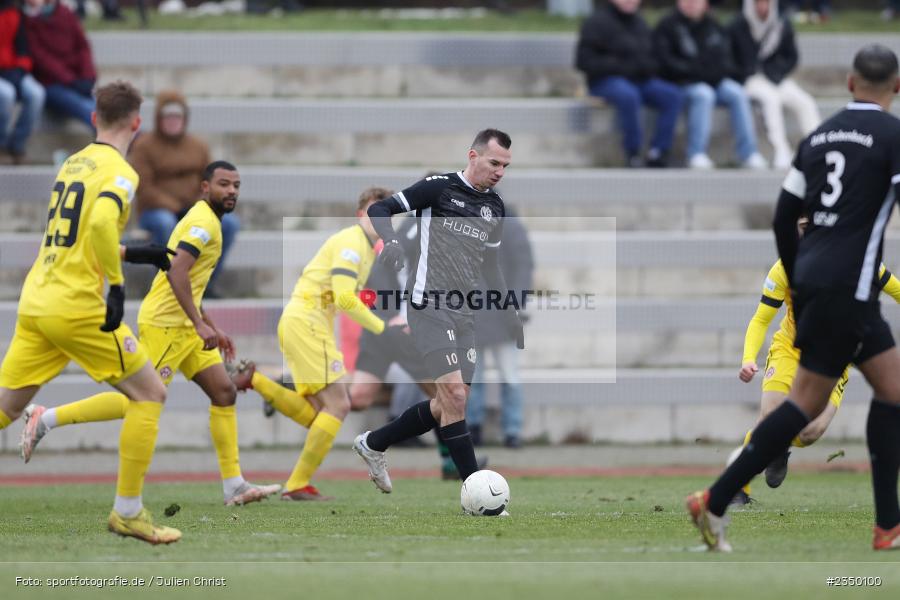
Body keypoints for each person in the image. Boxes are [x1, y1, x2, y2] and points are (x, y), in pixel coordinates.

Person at [687, 44, 900, 552]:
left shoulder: (819, 136)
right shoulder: (893, 136)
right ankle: (717, 499)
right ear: (896, 88)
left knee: (881, 391)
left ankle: (716, 500)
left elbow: (784, 216)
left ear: (849, 84)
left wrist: (799, 277)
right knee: (810, 408)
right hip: (852, 283)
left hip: (823, 281)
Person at [19, 161, 282, 507]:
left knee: (223, 392)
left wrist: (209, 325)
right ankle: (46, 418)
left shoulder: (209, 221)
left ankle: (234, 485)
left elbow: (191, 280)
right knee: (141, 397)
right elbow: (177, 272)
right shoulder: (203, 224)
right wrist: (199, 323)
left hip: (184, 326)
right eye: (223, 184)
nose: (231, 190)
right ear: (204, 187)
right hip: (165, 324)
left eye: (236, 185)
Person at [0, 81, 181, 544]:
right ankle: (128, 511)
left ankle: (127, 509)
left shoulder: (72, 163)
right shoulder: (122, 171)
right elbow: (99, 221)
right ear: (137, 123)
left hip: (38, 299)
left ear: (94, 117)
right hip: (76, 307)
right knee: (150, 394)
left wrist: (133, 253)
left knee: (7, 407)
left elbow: (82, 233)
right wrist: (117, 288)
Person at [352, 129, 524, 501]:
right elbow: (381, 209)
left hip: (465, 313)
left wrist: (510, 311)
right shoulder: (438, 188)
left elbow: (491, 266)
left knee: (450, 400)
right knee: (456, 398)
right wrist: (392, 241)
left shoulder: (494, 207)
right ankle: (475, 491)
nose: (499, 172)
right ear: (473, 156)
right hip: (428, 306)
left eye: (506, 166)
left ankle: (374, 442)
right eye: (494, 163)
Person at [230, 187, 409, 501]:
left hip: (305, 323)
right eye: (374, 211)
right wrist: (383, 328)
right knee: (339, 406)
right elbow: (342, 297)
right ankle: (297, 483)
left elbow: (346, 295)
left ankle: (256, 380)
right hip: (308, 323)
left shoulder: (367, 249)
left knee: (318, 415)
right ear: (359, 215)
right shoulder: (352, 245)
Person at [730, 217, 900, 505]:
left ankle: (778, 446)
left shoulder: (858, 260)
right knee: (770, 418)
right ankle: (738, 491)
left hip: (835, 353)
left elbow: (897, 291)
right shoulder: (785, 267)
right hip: (790, 348)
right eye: (803, 227)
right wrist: (748, 358)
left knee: (810, 432)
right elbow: (760, 319)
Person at [128, 90, 239, 295]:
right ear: (159, 118)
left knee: (229, 224)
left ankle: (205, 284)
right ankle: (167, 284)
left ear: (185, 118)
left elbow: (211, 182)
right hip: (156, 210)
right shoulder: (144, 146)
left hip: (193, 208)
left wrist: (199, 205)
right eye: (168, 116)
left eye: (177, 116)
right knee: (165, 223)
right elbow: (144, 188)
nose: (173, 121)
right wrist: (175, 207)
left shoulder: (198, 146)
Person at [654, 0, 767, 169]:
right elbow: (666, 62)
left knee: (737, 93)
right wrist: (696, 72)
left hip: (714, 81)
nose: (691, 3)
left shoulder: (713, 26)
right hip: (683, 83)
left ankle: (749, 153)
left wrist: (713, 73)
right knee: (703, 94)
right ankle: (696, 153)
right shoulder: (667, 25)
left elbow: (724, 58)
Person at [575, 0, 684, 168]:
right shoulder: (596, 22)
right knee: (629, 95)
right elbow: (583, 61)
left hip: (639, 80)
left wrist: (647, 68)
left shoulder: (640, 23)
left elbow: (653, 57)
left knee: (672, 95)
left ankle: (658, 152)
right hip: (605, 81)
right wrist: (620, 66)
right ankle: (633, 153)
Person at [466, 209, 533, 449]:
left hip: (501, 314)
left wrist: (515, 304)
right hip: (475, 313)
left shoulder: (509, 223)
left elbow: (523, 265)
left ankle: (511, 429)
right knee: (476, 376)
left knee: (507, 375)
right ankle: (476, 428)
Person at [730, 0, 821, 169]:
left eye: (766, 3)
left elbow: (792, 57)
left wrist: (776, 72)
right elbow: (730, 58)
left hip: (777, 79)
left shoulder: (781, 24)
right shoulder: (737, 25)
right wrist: (746, 72)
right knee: (771, 101)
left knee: (805, 102)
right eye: (758, 3)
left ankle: (818, 150)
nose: (762, 7)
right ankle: (782, 151)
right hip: (751, 80)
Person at [22, 0, 96, 130]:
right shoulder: (29, 21)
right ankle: (133, 145)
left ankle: (135, 142)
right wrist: (71, 81)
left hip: (78, 81)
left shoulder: (66, 14)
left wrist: (88, 77)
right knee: (92, 113)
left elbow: (82, 47)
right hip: (51, 84)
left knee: (109, 112)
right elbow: (42, 59)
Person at [0, 0, 45, 165]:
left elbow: (23, 49)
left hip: (13, 71)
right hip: (4, 75)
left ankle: (17, 145)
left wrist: (19, 71)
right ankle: (2, 145)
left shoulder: (14, 12)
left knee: (36, 93)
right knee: (6, 95)